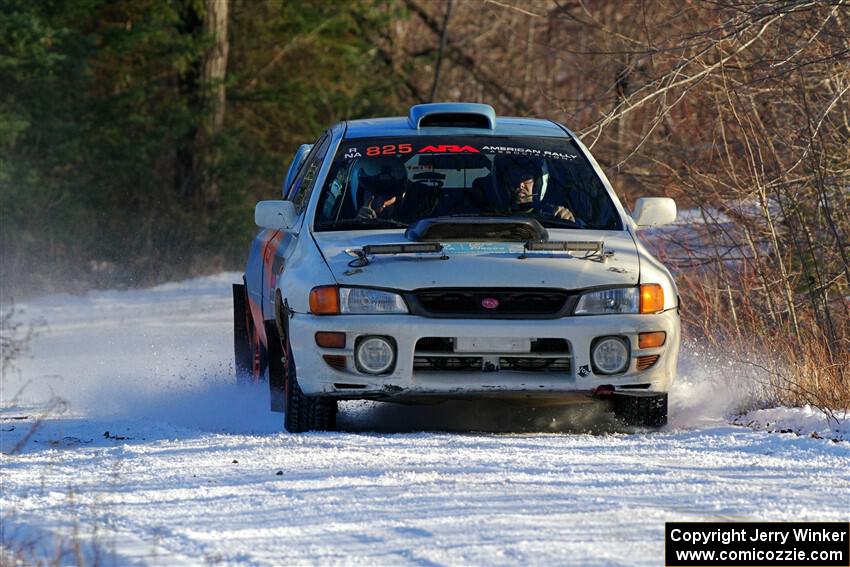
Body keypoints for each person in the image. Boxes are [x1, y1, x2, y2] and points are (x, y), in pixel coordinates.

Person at [503, 159, 576, 222]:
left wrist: (566, 217)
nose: (520, 185)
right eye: (514, 177)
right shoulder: (493, 211)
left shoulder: (550, 213)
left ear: (538, 184)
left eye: (527, 178)